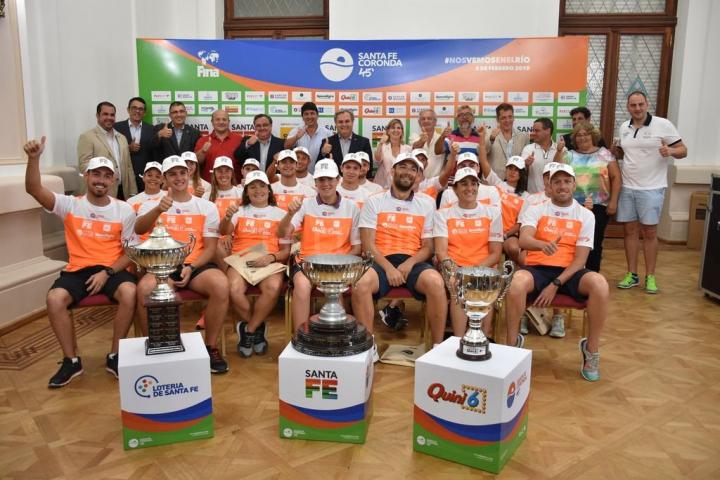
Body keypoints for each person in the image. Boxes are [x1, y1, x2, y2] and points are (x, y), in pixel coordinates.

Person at [25, 137, 137, 388]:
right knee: (55, 299)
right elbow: (34, 189)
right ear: (86, 176)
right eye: (96, 174)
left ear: (113, 180)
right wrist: (34, 159)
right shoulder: (70, 205)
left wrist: (107, 272)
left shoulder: (124, 210)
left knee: (130, 292)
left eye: (106, 176)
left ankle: (115, 355)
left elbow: (130, 253)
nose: (101, 180)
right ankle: (71, 361)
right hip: (77, 270)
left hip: (112, 269)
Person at [507, 164, 608, 382]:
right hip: (538, 268)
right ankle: (512, 345)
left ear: (574, 185)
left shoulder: (586, 215)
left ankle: (591, 350)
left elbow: (580, 260)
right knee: (516, 283)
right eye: (557, 182)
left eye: (567, 181)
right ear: (550, 187)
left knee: (600, 284)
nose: (562, 186)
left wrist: (555, 284)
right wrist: (542, 245)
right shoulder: (537, 210)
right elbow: (524, 239)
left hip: (570, 272)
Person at [135, 155, 229, 374]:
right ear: (164, 179)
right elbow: (139, 229)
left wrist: (191, 267)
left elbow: (210, 248)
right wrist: (158, 210)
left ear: (189, 175)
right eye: (172, 174)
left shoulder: (206, 206)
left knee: (221, 285)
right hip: (162, 265)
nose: (178, 178)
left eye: (182, 173)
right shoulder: (150, 204)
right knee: (144, 289)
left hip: (196, 264)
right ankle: (155, 345)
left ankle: (211, 347)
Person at [352, 152, 447, 354]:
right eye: (403, 166)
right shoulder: (374, 201)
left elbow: (428, 247)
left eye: (413, 169)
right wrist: (389, 268)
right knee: (360, 284)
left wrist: (409, 264)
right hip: (380, 260)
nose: (408, 172)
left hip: (413, 261)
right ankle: (367, 348)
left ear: (418, 176)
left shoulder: (427, 203)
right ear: (392, 171)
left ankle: (437, 349)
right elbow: (367, 245)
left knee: (436, 283)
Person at [613, 91, 687, 293]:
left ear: (647, 104)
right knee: (629, 231)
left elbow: (683, 150)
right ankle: (632, 274)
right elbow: (627, 154)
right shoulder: (624, 127)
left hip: (652, 188)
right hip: (628, 187)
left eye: (640, 104)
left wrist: (671, 151)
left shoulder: (663, 124)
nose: (637, 109)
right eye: (633, 105)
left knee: (649, 232)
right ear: (628, 107)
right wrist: (617, 151)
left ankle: (651, 277)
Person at [278, 159, 361, 331]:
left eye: (330, 179)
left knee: (336, 290)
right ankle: (301, 335)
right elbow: (282, 232)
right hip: (307, 263)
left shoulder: (352, 207)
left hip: (338, 266)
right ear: (315, 182)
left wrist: (338, 265)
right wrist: (290, 214)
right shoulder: (304, 204)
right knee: (301, 286)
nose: (326, 183)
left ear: (338, 180)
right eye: (321, 179)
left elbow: (356, 247)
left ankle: (337, 337)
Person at [219, 170, 291, 358]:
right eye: (252, 187)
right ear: (246, 191)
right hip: (240, 261)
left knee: (273, 287)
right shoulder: (239, 211)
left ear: (269, 190)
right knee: (233, 288)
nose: (258, 190)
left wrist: (271, 257)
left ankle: (249, 330)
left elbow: (286, 251)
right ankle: (257, 327)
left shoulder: (281, 214)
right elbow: (224, 231)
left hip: (270, 261)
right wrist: (227, 217)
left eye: (261, 186)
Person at [434, 167, 503, 337]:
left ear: (478, 187)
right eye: (464, 184)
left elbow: (495, 253)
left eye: (473, 183)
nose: (469, 188)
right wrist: (458, 272)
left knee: (483, 284)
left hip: (483, 267)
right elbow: (441, 252)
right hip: (453, 267)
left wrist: (472, 272)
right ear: (455, 189)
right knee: (461, 286)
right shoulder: (443, 214)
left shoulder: (493, 212)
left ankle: (482, 339)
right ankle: (459, 339)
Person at [559, 121, 620, 273]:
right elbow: (556, 173)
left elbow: (616, 178)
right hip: (572, 206)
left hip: (599, 206)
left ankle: (591, 275)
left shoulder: (605, 154)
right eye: (578, 135)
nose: (582, 138)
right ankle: (572, 274)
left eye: (585, 134)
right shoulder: (569, 155)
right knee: (571, 240)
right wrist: (559, 151)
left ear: (593, 135)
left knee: (594, 241)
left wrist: (613, 201)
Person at [77, 101, 137, 200]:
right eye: (105, 114)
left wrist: (133, 192)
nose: (109, 117)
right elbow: (84, 166)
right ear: (97, 116)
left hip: (123, 192)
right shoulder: (87, 137)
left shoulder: (122, 138)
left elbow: (129, 167)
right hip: (100, 192)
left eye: (112, 115)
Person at [478, 149, 530, 264]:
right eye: (510, 168)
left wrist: (505, 235)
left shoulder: (526, 196)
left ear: (521, 174)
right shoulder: (497, 184)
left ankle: (513, 270)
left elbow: (519, 224)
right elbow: (484, 162)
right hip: (489, 232)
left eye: (516, 170)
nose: (512, 172)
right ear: (506, 170)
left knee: (514, 248)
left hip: (508, 235)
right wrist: (482, 141)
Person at [203, 156, 244, 270]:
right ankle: (229, 273)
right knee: (216, 245)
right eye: (220, 171)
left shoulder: (241, 193)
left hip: (236, 236)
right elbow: (205, 224)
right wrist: (221, 237)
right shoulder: (206, 196)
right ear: (214, 173)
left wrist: (229, 235)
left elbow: (243, 219)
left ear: (232, 173)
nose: (223, 174)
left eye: (227, 171)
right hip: (214, 238)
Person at [114, 97, 155, 191]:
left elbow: (153, 152)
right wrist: (128, 148)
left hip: (145, 177)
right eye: (134, 108)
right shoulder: (116, 128)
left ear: (144, 112)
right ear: (128, 110)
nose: (137, 111)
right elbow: (111, 150)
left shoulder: (151, 129)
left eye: (141, 109)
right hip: (124, 176)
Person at [195, 109, 243, 181]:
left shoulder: (239, 140)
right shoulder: (202, 140)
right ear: (212, 122)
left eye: (224, 119)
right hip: (209, 185)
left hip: (234, 185)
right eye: (217, 119)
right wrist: (203, 151)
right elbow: (196, 163)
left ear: (228, 121)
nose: (221, 122)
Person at [485, 103, 530, 179]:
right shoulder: (488, 134)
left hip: (515, 182)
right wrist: (491, 138)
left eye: (510, 117)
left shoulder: (523, 137)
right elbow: (482, 152)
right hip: (494, 181)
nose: (507, 120)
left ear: (513, 117)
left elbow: (525, 162)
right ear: (497, 119)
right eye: (503, 118)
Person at [284, 102, 331, 172]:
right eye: (306, 114)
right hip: (299, 175)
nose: (309, 117)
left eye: (312, 113)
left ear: (317, 115)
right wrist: (296, 137)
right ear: (302, 117)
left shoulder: (327, 133)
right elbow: (286, 147)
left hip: (320, 174)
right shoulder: (296, 131)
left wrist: (324, 152)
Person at [521, 118, 558, 194]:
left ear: (548, 131)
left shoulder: (561, 149)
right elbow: (520, 172)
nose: (533, 133)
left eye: (537, 131)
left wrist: (559, 151)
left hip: (555, 197)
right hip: (534, 197)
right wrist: (525, 164)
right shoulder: (528, 149)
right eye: (533, 130)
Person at [373, 118, 412, 188]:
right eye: (393, 128)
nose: (396, 130)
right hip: (382, 185)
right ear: (388, 131)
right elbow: (377, 161)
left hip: (400, 186)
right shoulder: (383, 147)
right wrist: (381, 143)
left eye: (398, 128)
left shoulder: (408, 149)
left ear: (402, 131)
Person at [408, 109, 445, 177]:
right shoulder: (414, 136)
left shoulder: (442, 139)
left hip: (436, 181)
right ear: (419, 122)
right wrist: (422, 140)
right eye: (423, 119)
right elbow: (415, 147)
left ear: (435, 122)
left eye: (429, 118)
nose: (426, 121)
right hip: (418, 180)